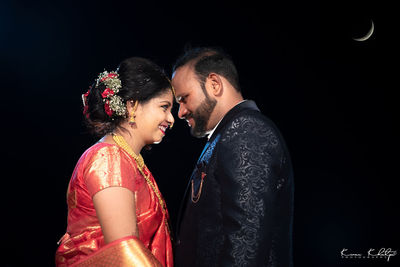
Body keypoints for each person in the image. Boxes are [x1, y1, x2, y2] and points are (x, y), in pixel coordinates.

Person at [171, 47, 294, 267]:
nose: (180, 112)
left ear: (214, 84)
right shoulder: (228, 132)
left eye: (184, 98)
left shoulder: (246, 129)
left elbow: (245, 240)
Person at [55, 57, 175, 267]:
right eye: (164, 107)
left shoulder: (127, 159)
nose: (171, 119)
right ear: (132, 105)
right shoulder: (109, 159)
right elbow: (125, 254)